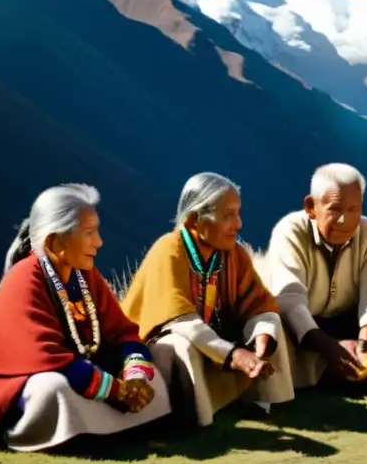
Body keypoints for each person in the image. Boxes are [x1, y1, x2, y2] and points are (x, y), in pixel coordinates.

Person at [0, 184, 171, 451]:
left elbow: (120, 331)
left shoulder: (84, 275)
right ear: (55, 242)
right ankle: (73, 435)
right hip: (18, 385)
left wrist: (134, 375)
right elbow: (45, 356)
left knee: (152, 373)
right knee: (53, 389)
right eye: (89, 233)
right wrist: (116, 390)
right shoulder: (24, 278)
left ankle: (112, 431)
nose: (99, 241)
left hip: (79, 368)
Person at [121, 173, 295, 426]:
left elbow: (258, 303)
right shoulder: (169, 250)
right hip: (153, 350)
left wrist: (262, 334)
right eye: (227, 216)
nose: (238, 224)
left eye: (238, 213)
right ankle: (195, 416)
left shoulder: (234, 255)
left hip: (217, 339)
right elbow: (178, 319)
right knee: (179, 344)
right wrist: (234, 355)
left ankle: (259, 400)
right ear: (194, 220)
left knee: (271, 323)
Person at [257, 163, 367, 388]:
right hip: (304, 331)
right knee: (273, 330)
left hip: (350, 323)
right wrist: (328, 346)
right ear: (311, 206)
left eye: (353, 209)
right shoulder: (290, 231)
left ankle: (349, 365)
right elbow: (289, 297)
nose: (344, 220)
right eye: (334, 209)